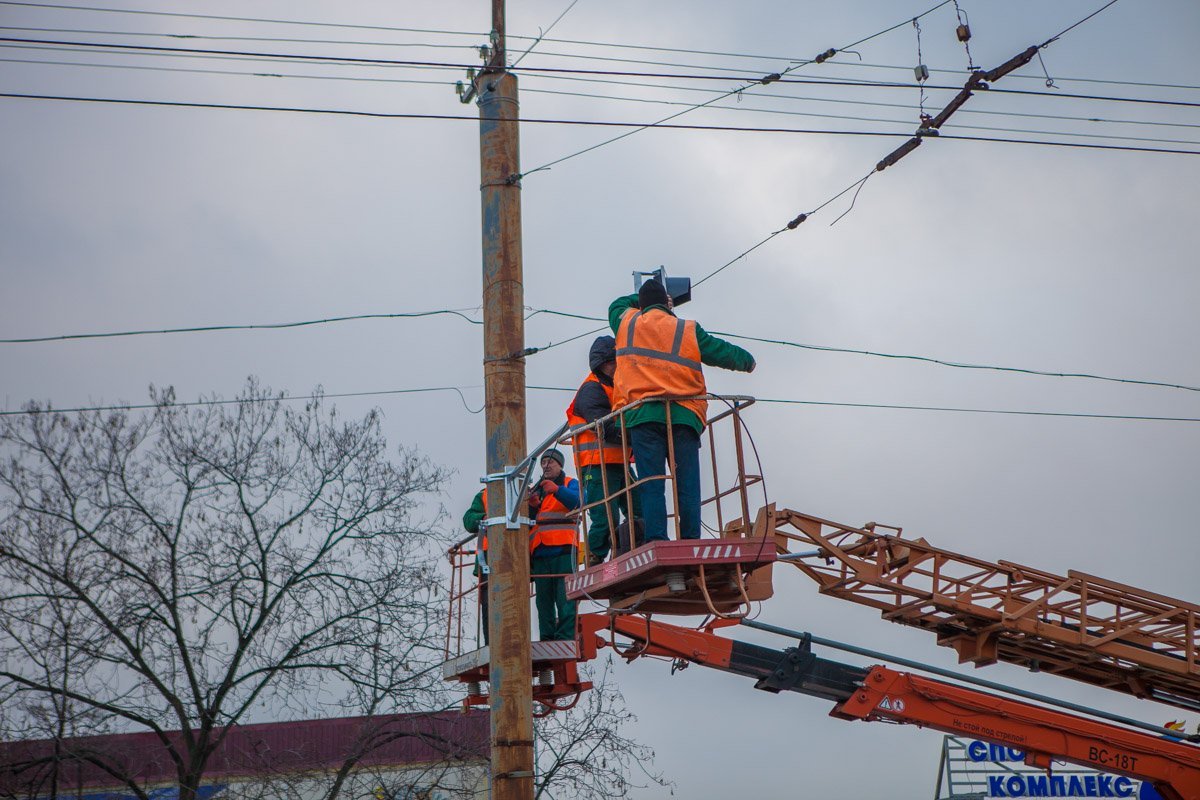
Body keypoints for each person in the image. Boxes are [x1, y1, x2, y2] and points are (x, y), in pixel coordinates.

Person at [609, 278, 755, 542]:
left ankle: (657, 538)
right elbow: (719, 350)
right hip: (684, 415)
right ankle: (690, 539)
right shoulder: (686, 329)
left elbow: (617, 305)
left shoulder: (626, 322)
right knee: (687, 484)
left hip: (643, 416)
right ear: (667, 304)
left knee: (651, 483)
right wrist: (747, 361)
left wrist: (638, 300)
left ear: (641, 304)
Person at [566, 335, 642, 566]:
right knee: (605, 517)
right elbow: (605, 427)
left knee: (639, 507)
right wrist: (642, 436)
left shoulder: (616, 388)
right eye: (615, 362)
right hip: (596, 465)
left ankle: (633, 547)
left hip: (618, 462)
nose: (619, 366)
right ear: (605, 364)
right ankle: (595, 557)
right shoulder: (592, 389)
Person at [527, 448, 581, 640]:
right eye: (543, 462)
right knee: (543, 601)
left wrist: (557, 490)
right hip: (540, 552)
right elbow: (529, 522)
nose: (546, 465)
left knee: (565, 597)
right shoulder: (537, 490)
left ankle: (565, 636)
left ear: (560, 465)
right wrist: (532, 506)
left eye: (550, 462)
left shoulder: (570, 483)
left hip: (564, 550)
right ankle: (547, 637)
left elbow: (578, 502)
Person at [462, 487, 490, 645]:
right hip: (488, 557)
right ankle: (490, 643)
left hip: (516, 558)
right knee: (488, 603)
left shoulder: (523, 491)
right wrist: (483, 517)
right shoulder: (484, 494)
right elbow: (469, 519)